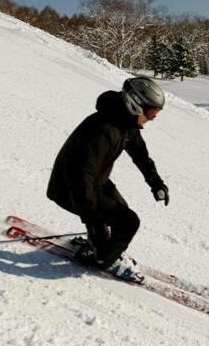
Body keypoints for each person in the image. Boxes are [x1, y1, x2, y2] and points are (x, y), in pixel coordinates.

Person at [46, 76, 169, 278]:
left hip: (95, 182)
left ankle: (101, 247)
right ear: (136, 104)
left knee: (121, 214)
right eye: (152, 113)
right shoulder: (102, 129)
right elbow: (79, 177)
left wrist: (156, 183)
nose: (151, 119)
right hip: (68, 188)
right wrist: (92, 220)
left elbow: (141, 155)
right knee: (129, 222)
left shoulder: (125, 124)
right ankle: (104, 259)